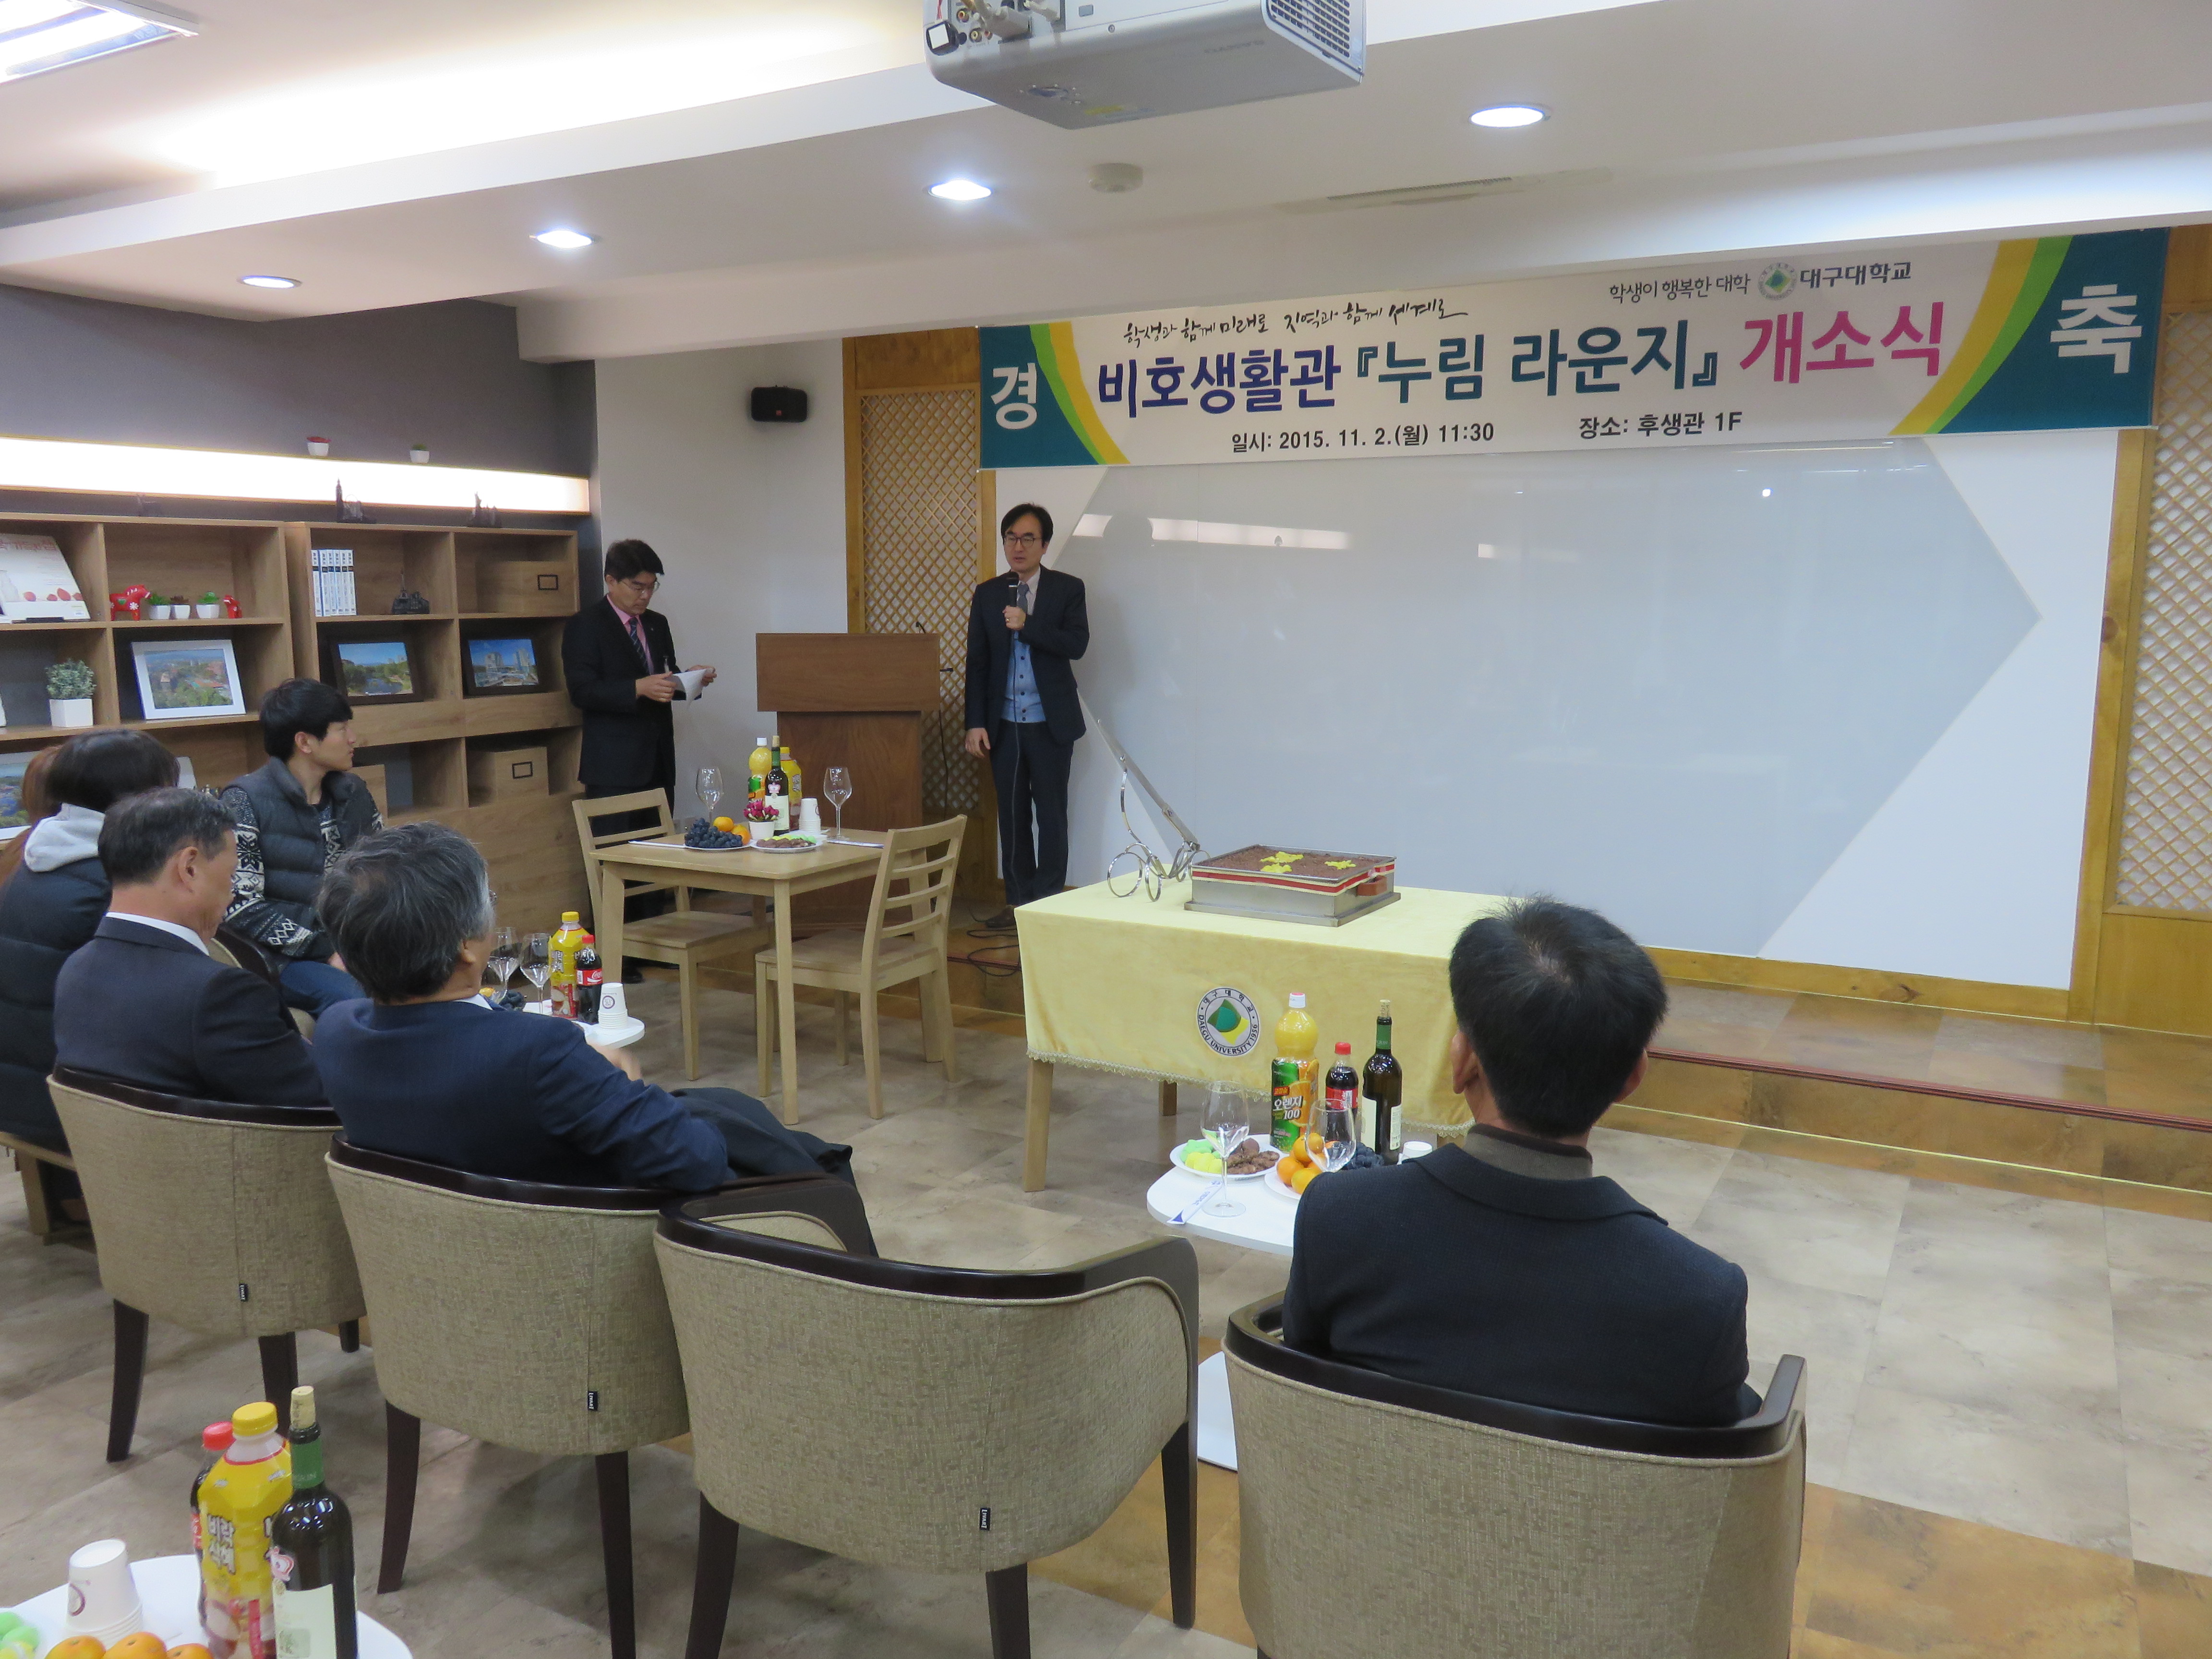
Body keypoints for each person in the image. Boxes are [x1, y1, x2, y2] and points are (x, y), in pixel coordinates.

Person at [1281, 896, 1756, 1428]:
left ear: (1462, 1063)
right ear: (1632, 1078)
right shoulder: (1699, 1297)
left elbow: (1296, 1394)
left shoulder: (1340, 1218)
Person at [311, 822, 859, 1194]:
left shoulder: (336, 1032)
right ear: (466, 948)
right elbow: (695, 1162)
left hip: (449, 1254)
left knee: (734, 1112)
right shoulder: (537, 1053)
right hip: (586, 1256)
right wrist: (623, 1081)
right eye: (488, 903)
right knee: (808, 1166)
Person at [54, 788, 325, 1106]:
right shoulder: (221, 994)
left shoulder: (74, 968)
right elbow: (324, 1103)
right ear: (190, 868)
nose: (231, 896)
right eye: (231, 876)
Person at [0, 731, 178, 1151]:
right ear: (143, 797)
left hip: (25, 1095)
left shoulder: (33, 859)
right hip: (82, 1108)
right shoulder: (111, 883)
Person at [963, 502, 1089, 931]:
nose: (1018, 547)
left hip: (1050, 725)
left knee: (1051, 816)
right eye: (1011, 538)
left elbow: (1077, 644)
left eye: (1028, 539)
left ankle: (1048, 905)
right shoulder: (988, 594)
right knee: (1013, 817)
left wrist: (1027, 624)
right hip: (1004, 725)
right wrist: (975, 722)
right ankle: (1017, 903)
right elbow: (978, 663)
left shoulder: (1067, 589)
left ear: (1045, 545)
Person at [220, 678, 377, 1013]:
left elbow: (387, 871)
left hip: (352, 942)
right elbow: (240, 906)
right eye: (341, 729)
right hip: (282, 957)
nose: (353, 739)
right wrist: (325, 951)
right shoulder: (244, 801)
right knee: (355, 1000)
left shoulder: (354, 791)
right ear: (305, 742)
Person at [563, 538, 718, 826]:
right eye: (638, 587)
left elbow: (663, 677)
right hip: (613, 768)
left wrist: (690, 679)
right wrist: (637, 688)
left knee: (659, 848)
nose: (646, 596)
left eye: (651, 587)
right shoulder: (585, 625)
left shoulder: (657, 623)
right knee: (615, 848)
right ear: (611, 581)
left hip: (659, 762)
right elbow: (582, 692)